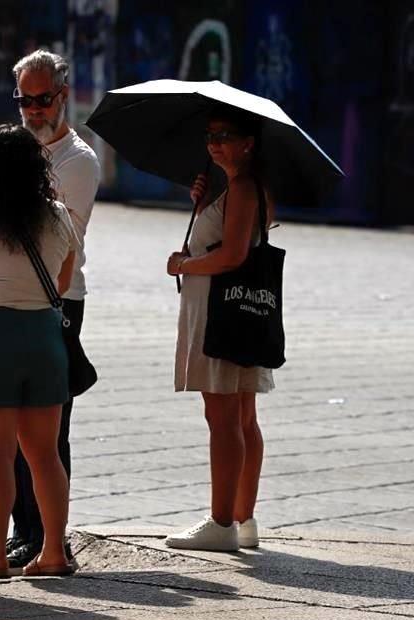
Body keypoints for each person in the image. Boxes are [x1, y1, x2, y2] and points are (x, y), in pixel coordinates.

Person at [0, 123, 78, 579]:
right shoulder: (58, 215)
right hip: (44, 335)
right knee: (45, 455)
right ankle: (53, 552)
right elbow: (63, 281)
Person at [164, 105, 274, 552]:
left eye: (225, 136)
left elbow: (231, 256)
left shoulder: (244, 187)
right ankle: (242, 518)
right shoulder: (240, 187)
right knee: (243, 415)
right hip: (237, 313)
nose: (214, 144)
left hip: (220, 313)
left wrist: (183, 264)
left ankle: (222, 521)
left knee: (223, 416)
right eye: (210, 136)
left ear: (248, 143)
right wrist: (207, 202)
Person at [6, 49, 100, 569]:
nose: (33, 110)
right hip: (12, 297)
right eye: (24, 100)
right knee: (10, 424)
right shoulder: (15, 149)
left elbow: (63, 237)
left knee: (48, 427)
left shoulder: (78, 160)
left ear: (62, 97)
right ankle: (24, 528)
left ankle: (49, 536)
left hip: (59, 299)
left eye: (42, 99)